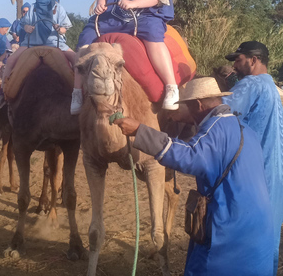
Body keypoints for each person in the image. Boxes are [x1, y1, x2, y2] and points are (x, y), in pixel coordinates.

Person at [114, 77, 274, 275]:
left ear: (198, 105)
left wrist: (140, 130)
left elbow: (190, 156)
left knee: (207, 265)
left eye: (187, 107)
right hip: (257, 225)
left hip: (229, 223)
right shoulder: (245, 129)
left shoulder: (216, 128)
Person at [221, 41, 283, 274]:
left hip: (256, 176)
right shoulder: (270, 85)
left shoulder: (250, 84)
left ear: (253, 60)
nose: (235, 66)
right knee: (268, 242)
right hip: (276, 177)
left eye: (237, 61)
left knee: (246, 242)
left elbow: (219, 113)